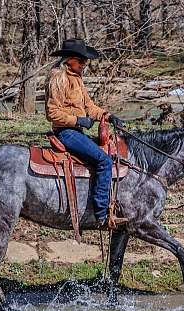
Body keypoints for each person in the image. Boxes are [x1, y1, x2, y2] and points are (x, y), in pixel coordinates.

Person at [45, 38, 125, 228]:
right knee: (104, 161)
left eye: (84, 61)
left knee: (108, 153)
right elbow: (52, 113)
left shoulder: (77, 78)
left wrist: (108, 115)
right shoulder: (59, 78)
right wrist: (78, 120)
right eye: (81, 61)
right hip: (66, 132)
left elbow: (89, 106)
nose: (84, 64)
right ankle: (101, 214)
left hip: (76, 132)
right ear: (70, 60)